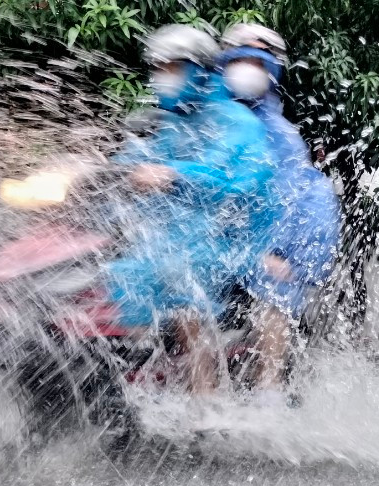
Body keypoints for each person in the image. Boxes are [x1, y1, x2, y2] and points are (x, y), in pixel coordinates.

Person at [106, 25, 273, 394]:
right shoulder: (169, 123)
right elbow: (134, 161)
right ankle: (130, 375)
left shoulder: (237, 122)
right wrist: (91, 171)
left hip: (225, 239)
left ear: (197, 69)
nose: (162, 78)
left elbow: (240, 183)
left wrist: (174, 175)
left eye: (171, 68)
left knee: (183, 281)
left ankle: (205, 400)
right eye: (157, 70)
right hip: (169, 235)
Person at [218, 23, 342, 399]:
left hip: (247, 250)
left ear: (274, 68)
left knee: (276, 288)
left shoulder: (281, 136)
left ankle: (267, 392)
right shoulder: (203, 112)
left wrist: (266, 252)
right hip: (200, 238)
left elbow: (296, 203)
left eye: (259, 58)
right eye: (240, 56)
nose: (248, 66)